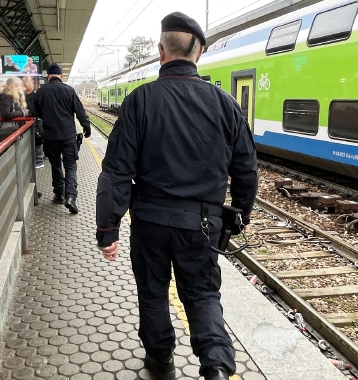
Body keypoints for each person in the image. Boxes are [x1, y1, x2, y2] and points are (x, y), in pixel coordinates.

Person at [95, 12, 258, 380]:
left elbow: (116, 171)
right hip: (202, 224)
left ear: (160, 52)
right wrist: (241, 214)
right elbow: (247, 170)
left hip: (149, 222)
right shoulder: (225, 104)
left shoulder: (139, 101)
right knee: (202, 295)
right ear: (198, 53)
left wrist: (109, 227)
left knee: (153, 292)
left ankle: (160, 360)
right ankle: (216, 365)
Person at [35, 63, 91, 214]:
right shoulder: (69, 90)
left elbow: (36, 113)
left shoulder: (41, 91)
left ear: (48, 76)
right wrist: (86, 127)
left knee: (56, 165)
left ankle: (59, 194)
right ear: (60, 75)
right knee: (70, 166)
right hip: (68, 137)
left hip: (50, 137)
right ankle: (71, 197)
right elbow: (80, 112)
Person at [22, 76, 45, 169]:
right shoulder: (22, 95)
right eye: (24, 82)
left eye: (27, 82)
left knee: (37, 139)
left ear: (32, 83)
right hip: (24, 121)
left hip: (36, 121)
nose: (25, 84)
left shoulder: (36, 95)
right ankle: (29, 158)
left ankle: (39, 159)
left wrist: (31, 112)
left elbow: (40, 109)